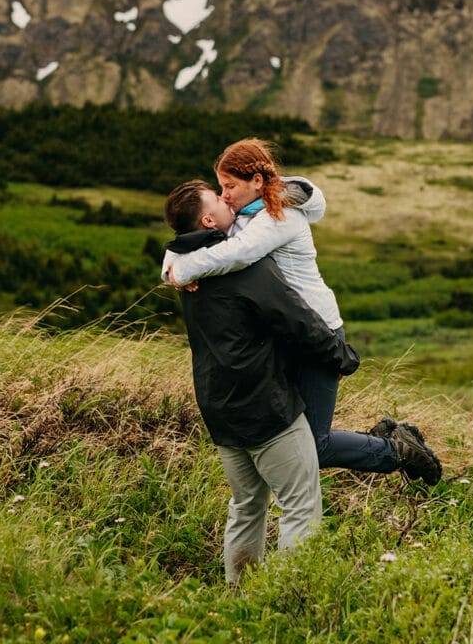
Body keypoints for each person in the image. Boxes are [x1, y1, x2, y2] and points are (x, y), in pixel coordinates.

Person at [163, 139, 442, 483]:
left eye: (230, 186)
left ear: (256, 182)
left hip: (316, 333)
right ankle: (383, 437)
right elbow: (190, 238)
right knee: (293, 434)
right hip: (286, 333)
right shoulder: (242, 216)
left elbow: (238, 254)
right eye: (220, 187)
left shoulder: (279, 217)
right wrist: (171, 266)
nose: (224, 196)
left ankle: (397, 451)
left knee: (312, 445)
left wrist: (183, 271)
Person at [163, 179, 361, 584]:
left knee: (246, 505)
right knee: (300, 505)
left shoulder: (185, 271)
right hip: (266, 407)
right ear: (208, 219)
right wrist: (342, 356)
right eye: (217, 198)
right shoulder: (243, 267)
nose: (224, 198)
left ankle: (241, 595)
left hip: (218, 407)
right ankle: (291, 598)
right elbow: (297, 320)